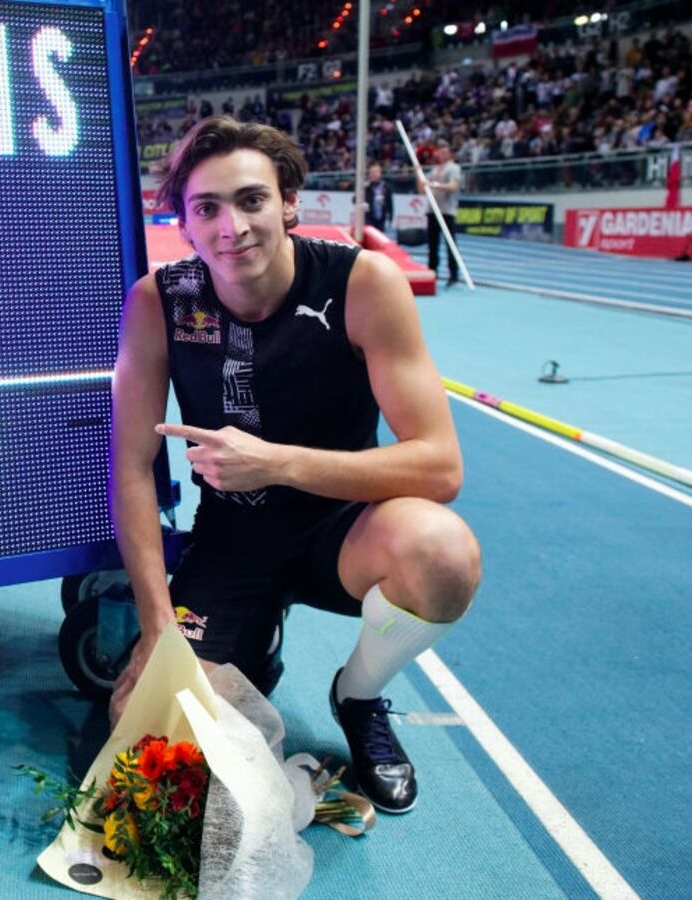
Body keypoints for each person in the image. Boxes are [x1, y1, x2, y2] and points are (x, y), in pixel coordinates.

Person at [110, 117, 481, 815]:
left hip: (343, 534)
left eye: (251, 200)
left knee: (442, 553)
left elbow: (439, 468)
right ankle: (252, 638)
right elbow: (130, 466)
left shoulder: (363, 283)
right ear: (184, 224)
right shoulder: (159, 301)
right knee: (151, 744)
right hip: (231, 543)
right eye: (207, 208)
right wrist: (155, 620)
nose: (232, 226)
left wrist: (275, 463)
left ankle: (358, 695)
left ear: (288, 202)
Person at [418, 139, 462, 285]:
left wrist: (433, 185)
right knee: (432, 244)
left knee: (450, 244)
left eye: (444, 151)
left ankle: (453, 275)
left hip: (447, 211)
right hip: (432, 211)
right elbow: (422, 190)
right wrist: (418, 174)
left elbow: (453, 186)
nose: (440, 154)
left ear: (448, 153)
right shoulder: (434, 170)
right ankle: (432, 272)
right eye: (439, 151)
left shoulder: (453, 168)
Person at [364, 161, 394, 234]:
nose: (374, 174)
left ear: (380, 173)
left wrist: (390, 217)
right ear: (369, 174)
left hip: (381, 219)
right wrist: (362, 203)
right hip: (369, 219)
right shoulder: (365, 187)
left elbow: (390, 204)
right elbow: (354, 199)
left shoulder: (385, 187)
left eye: (377, 172)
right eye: (372, 172)